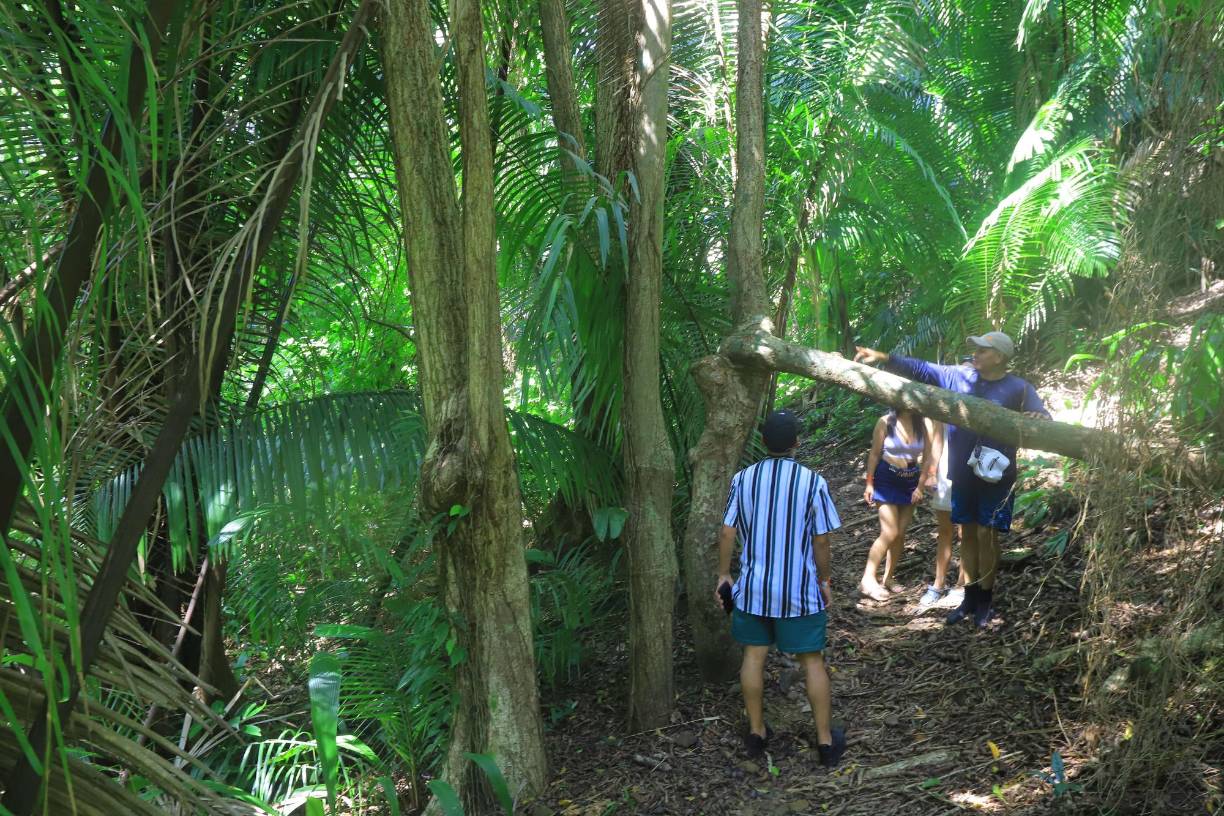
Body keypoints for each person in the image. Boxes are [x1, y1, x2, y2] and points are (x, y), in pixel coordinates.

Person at [853, 332, 1050, 629]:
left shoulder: (1018, 388)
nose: (976, 354)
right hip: (962, 471)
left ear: (998, 356)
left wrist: (1037, 417)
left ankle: (986, 600)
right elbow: (921, 368)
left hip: (996, 476)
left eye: (983, 350)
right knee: (967, 533)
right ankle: (969, 598)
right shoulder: (958, 376)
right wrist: (884, 358)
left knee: (988, 534)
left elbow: (1041, 416)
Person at [715, 410, 847, 767]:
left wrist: (724, 574)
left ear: (763, 442)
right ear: (795, 442)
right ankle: (824, 742)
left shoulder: (743, 479)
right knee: (812, 662)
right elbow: (822, 539)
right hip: (799, 592)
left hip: (754, 590)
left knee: (753, 657)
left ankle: (757, 733)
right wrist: (824, 580)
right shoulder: (812, 481)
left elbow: (728, 531)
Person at [858, 408, 931, 601]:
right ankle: (867, 578)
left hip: (910, 481)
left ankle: (888, 579)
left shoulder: (923, 424)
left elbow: (928, 458)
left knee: (900, 533)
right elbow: (874, 454)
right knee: (889, 532)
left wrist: (921, 487)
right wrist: (869, 483)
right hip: (886, 478)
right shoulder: (885, 421)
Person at [914, 419, 964, 611]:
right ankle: (938, 584)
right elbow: (936, 443)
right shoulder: (943, 405)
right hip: (945, 473)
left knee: (965, 532)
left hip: (968, 470)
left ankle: (961, 586)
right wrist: (931, 472)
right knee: (944, 531)